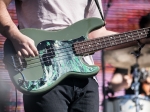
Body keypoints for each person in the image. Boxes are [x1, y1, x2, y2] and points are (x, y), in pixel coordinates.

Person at [0, 0, 149, 112]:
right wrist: (15, 35)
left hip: (85, 79)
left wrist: (141, 37)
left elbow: (98, 35)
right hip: (44, 73)